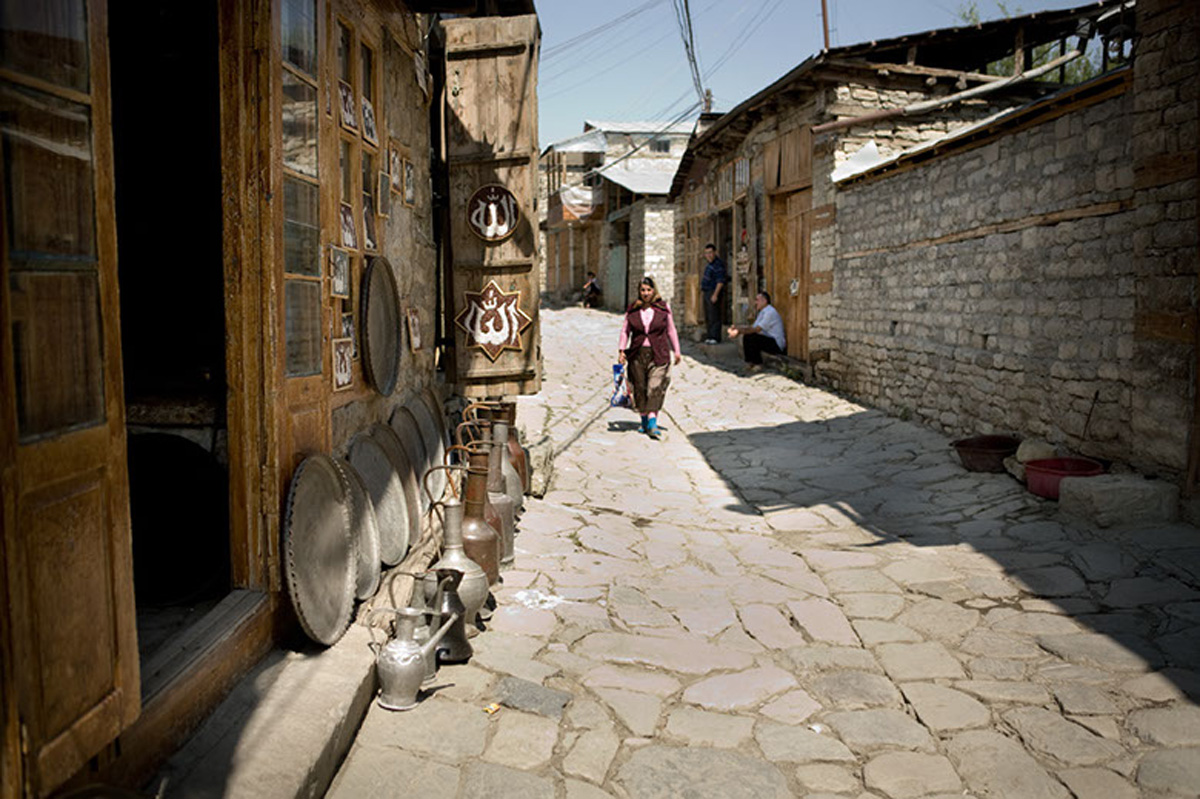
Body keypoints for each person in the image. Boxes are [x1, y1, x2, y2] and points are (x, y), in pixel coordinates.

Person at [618, 276, 681, 440]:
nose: (646, 293)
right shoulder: (633, 310)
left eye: (648, 290)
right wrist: (621, 350)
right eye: (643, 290)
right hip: (637, 354)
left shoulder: (663, 308)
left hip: (658, 353)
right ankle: (644, 419)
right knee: (639, 387)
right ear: (639, 292)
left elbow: (671, 330)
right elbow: (625, 331)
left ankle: (653, 421)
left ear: (654, 291)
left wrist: (677, 351)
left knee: (654, 386)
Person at [728, 291, 786, 371]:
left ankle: (758, 363)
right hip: (768, 339)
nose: (756, 303)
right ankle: (750, 362)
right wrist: (737, 328)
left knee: (753, 337)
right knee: (747, 336)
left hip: (776, 343)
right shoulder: (762, 312)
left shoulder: (770, 312)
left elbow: (756, 329)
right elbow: (752, 327)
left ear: (764, 301)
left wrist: (738, 331)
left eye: (757, 300)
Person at [700, 243, 727, 344]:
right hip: (707, 291)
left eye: (710, 253)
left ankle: (715, 337)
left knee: (714, 315)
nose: (708, 255)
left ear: (715, 252)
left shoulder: (718, 264)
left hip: (713, 291)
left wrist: (715, 294)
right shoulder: (709, 265)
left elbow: (720, 281)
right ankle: (710, 336)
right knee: (708, 315)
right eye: (706, 253)